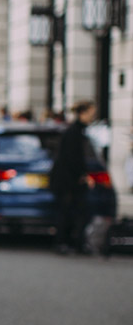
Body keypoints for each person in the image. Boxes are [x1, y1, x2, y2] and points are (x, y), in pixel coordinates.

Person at [50, 100, 97, 254]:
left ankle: (71, 242)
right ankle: (63, 242)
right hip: (68, 180)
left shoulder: (77, 130)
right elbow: (73, 158)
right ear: (83, 113)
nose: (93, 116)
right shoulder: (74, 132)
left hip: (69, 179)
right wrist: (83, 175)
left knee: (73, 212)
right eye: (91, 113)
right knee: (67, 212)